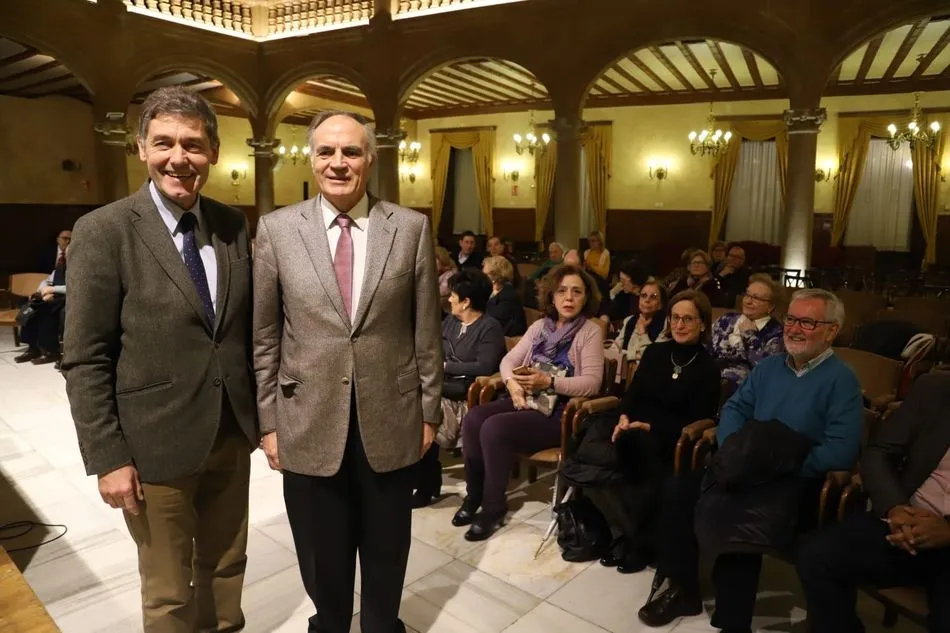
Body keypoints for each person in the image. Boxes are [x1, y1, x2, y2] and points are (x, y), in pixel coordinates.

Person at [62, 86, 258, 633]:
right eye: (165, 143)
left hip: (227, 435)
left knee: (226, 568)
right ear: (141, 149)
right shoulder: (105, 231)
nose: (180, 158)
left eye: (193, 145)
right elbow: (85, 356)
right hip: (154, 447)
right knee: (170, 592)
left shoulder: (232, 223)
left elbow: (238, 333)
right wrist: (108, 456)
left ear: (214, 153)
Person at [253, 110, 443, 633]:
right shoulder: (275, 229)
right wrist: (269, 423)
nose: (339, 163)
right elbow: (265, 337)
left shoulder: (409, 228)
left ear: (371, 158)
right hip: (307, 417)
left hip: (392, 413)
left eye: (351, 152)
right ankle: (330, 622)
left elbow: (424, 331)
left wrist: (429, 412)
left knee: (387, 544)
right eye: (327, 152)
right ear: (311, 158)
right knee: (320, 546)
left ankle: (382, 625)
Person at [639, 289, 863, 631]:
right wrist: (735, 450)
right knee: (677, 491)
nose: (794, 328)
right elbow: (735, 408)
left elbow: (841, 451)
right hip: (742, 465)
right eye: (791, 319)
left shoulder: (842, 380)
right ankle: (684, 588)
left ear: (831, 330)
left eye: (807, 321)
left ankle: (733, 621)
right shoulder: (769, 367)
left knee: (739, 520)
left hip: (795, 480)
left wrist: (773, 464)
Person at [454, 264, 605, 541]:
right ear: (551, 296)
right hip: (527, 398)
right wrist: (512, 384)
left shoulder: (590, 332)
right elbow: (508, 361)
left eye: (576, 292)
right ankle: (474, 496)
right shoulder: (539, 327)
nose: (568, 298)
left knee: (494, 429)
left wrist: (549, 383)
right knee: (474, 418)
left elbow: (592, 383)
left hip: (560, 414)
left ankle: (493, 508)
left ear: (586, 298)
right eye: (562, 291)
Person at [796, 372, 950, 633]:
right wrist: (896, 508)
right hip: (905, 520)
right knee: (817, 554)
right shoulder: (935, 389)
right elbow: (879, 453)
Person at [584, 290, 720, 574]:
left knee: (634, 451)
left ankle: (637, 542)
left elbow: (698, 418)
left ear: (703, 323)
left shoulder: (707, 367)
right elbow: (632, 395)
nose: (680, 325)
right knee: (590, 434)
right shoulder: (655, 352)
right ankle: (622, 534)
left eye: (688, 319)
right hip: (634, 428)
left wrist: (647, 426)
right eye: (675, 318)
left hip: (671, 438)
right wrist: (623, 416)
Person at [414, 270, 505, 508]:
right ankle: (425, 481)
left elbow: (484, 365)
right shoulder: (451, 322)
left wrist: (445, 366)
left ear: (466, 302)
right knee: (416, 403)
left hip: (467, 395)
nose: (450, 299)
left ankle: (431, 485)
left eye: (454, 296)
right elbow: (434, 348)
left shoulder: (489, 327)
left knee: (426, 407)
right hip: (443, 387)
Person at [709, 273, 784, 387]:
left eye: (756, 298)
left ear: (770, 307)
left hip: (743, 391)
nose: (748, 301)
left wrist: (749, 335)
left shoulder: (776, 333)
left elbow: (764, 369)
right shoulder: (726, 320)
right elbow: (706, 347)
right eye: (747, 295)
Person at [15, 246, 69, 365]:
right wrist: (42, 291)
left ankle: (51, 351)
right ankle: (33, 348)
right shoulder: (60, 267)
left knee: (46, 311)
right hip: (53, 296)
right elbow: (47, 281)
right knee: (32, 307)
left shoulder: (78, 268)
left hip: (68, 298)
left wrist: (52, 290)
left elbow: (73, 287)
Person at [610, 280, 668, 375]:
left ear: (661, 304)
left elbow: (653, 357)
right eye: (643, 296)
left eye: (653, 297)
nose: (647, 300)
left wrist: (642, 332)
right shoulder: (630, 320)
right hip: (624, 373)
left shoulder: (666, 324)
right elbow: (615, 348)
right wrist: (634, 355)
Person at [483, 255, 527, 336]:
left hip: (508, 341)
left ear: (495, 276)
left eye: (485, 275)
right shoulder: (493, 292)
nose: (482, 278)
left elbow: (492, 322)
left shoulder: (508, 296)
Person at [435, 245, 457, 314]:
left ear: (442, 259)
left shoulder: (450, 274)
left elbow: (440, 293)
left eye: (434, 259)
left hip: (446, 313)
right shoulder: (437, 273)